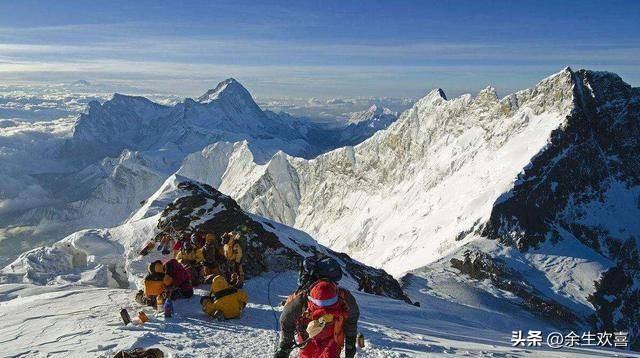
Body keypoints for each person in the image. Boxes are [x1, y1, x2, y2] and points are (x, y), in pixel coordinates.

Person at [275, 256, 359, 358]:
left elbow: (286, 319)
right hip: (332, 340)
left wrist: (284, 348)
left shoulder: (303, 297)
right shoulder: (344, 296)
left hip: (308, 338)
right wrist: (350, 346)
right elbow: (352, 319)